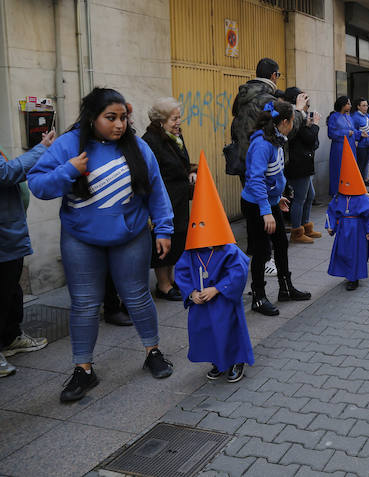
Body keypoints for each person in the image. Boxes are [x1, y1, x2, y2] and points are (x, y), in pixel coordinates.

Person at [28, 88, 175, 401]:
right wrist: (69, 170)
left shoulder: (136, 147)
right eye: (111, 118)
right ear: (92, 118)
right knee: (83, 303)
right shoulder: (69, 145)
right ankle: (83, 369)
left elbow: (156, 191)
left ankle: (153, 351)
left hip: (131, 236)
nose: (119, 124)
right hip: (80, 239)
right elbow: (38, 185)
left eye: (123, 117)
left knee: (136, 296)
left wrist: (164, 229)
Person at [176, 153, 253, 383]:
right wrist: (191, 292)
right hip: (201, 301)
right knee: (207, 332)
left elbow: (239, 270)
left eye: (205, 224)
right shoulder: (191, 252)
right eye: (197, 224)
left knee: (228, 330)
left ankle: (236, 360)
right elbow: (181, 272)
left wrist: (217, 289)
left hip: (222, 300)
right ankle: (218, 362)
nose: (201, 228)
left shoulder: (227, 250)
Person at [241, 100, 310, 318]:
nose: (293, 125)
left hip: (269, 202)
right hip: (256, 205)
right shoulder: (262, 144)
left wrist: (276, 197)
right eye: (292, 121)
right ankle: (258, 297)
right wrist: (266, 210)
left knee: (281, 243)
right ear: (284, 122)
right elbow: (255, 179)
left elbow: (275, 174)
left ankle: (285, 288)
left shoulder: (277, 140)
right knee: (261, 250)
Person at [0, 129, 55, 376]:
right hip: (4, 236)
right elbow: (6, 173)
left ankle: (10, 338)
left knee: (11, 289)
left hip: (9, 234)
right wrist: (41, 149)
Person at [142, 98, 196, 301]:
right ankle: (163, 284)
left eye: (179, 117)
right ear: (161, 120)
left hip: (178, 198)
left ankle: (171, 279)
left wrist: (191, 171)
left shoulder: (174, 136)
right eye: (174, 118)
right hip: (164, 199)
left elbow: (181, 162)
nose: (178, 122)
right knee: (164, 241)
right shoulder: (151, 141)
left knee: (177, 239)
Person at [326, 138, 369, 290]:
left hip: (357, 229)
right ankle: (347, 273)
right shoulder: (339, 197)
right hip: (343, 228)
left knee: (356, 253)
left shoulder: (363, 198)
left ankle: (354, 278)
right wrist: (330, 225)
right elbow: (331, 211)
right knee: (343, 252)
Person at [282, 88, 321, 244]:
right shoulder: (294, 117)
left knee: (309, 195)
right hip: (297, 164)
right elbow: (309, 138)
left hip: (304, 162)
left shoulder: (301, 116)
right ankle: (297, 231)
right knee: (299, 198)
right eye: (305, 97)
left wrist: (310, 124)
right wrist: (315, 125)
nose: (308, 100)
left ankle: (305, 226)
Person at [229, 58, 280, 177]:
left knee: (250, 192)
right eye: (278, 75)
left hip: (243, 157)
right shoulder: (268, 99)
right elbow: (281, 128)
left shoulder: (242, 96)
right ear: (273, 75)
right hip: (262, 160)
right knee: (262, 194)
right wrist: (299, 112)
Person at [326, 96, 358, 198]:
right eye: (348, 103)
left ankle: (349, 192)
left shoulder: (349, 117)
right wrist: (346, 132)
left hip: (351, 147)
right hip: (339, 149)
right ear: (343, 105)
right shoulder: (334, 117)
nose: (350, 105)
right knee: (338, 170)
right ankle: (337, 193)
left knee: (350, 170)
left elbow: (353, 130)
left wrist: (360, 134)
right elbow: (331, 133)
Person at [352, 99, 369, 187]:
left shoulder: (367, 116)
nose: (366, 107)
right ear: (358, 106)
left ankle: (365, 179)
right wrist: (359, 137)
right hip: (361, 145)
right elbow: (353, 130)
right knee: (361, 165)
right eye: (363, 105)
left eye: (366, 105)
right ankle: (359, 184)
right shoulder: (355, 117)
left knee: (367, 163)